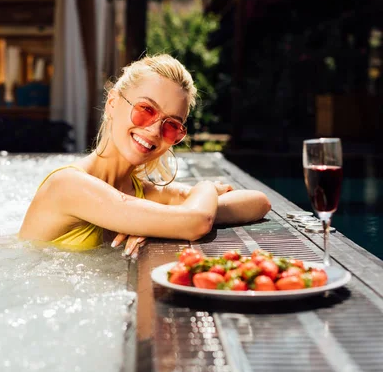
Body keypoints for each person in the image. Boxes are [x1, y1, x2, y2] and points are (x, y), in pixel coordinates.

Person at [19, 54, 271, 257]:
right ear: (113, 103)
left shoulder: (142, 194)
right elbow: (198, 221)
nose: (153, 131)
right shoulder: (67, 185)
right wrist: (204, 189)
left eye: (172, 125)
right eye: (146, 109)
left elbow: (258, 202)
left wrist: (157, 223)